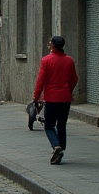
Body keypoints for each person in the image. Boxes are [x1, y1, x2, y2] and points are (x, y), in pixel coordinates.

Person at [32, 35, 78, 165]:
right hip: (65, 98)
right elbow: (74, 79)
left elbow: (41, 81)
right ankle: (61, 150)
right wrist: (69, 90)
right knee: (62, 125)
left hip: (52, 98)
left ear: (52, 45)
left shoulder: (46, 60)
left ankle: (56, 146)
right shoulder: (69, 61)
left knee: (49, 125)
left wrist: (36, 97)